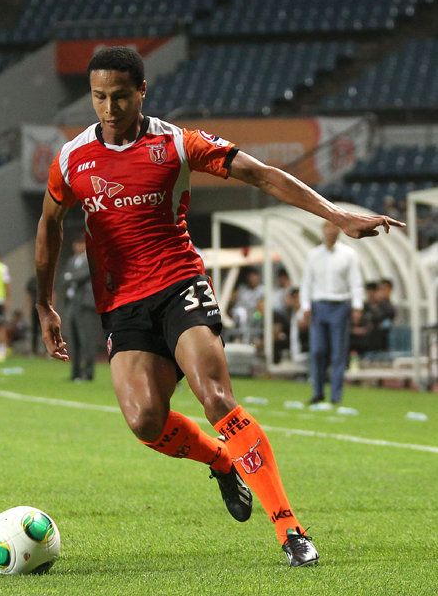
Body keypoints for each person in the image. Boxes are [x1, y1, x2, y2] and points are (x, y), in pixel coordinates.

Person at [35, 46, 404, 568]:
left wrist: (338, 216)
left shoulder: (176, 143)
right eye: (99, 97)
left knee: (216, 397)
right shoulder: (73, 158)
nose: (110, 108)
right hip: (122, 303)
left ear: (142, 91)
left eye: (120, 96)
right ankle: (221, 460)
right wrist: (44, 303)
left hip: (179, 284)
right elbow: (49, 224)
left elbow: (263, 175)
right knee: (144, 420)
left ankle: (291, 530)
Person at [300, 221, 364, 405]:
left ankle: (336, 396)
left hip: (340, 305)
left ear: (339, 231)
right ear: (323, 231)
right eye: (327, 228)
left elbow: (355, 281)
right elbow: (307, 282)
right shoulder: (313, 255)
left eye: (333, 228)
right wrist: (305, 306)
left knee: (338, 353)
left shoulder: (349, 254)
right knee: (317, 351)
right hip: (319, 305)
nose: (330, 232)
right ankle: (318, 392)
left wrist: (357, 306)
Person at [63, 235, 100, 381]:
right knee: (73, 338)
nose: (78, 247)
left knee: (86, 338)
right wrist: (71, 277)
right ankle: (75, 372)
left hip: (85, 303)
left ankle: (88, 372)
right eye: (76, 244)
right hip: (72, 302)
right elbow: (64, 278)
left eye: (81, 244)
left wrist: (71, 277)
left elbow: (83, 276)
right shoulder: (71, 260)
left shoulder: (91, 258)